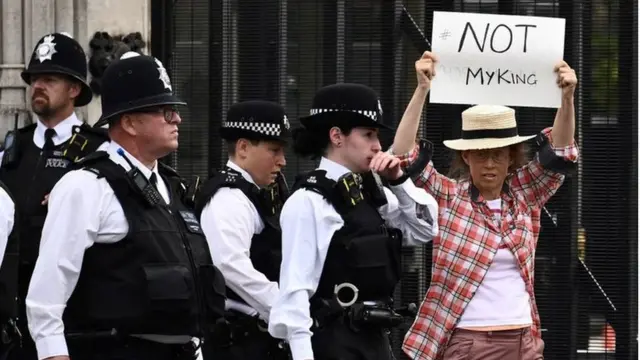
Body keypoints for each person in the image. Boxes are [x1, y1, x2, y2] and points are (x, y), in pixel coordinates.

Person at [25, 51, 226, 360]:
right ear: (130, 122)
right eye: (164, 110)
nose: (177, 119)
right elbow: (46, 297)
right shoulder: (87, 186)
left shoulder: (173, 187)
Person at [394, 52, 579, 360]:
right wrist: (422, 89)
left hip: (524, 340)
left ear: (512, 157)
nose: (490, 163)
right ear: (466, 157)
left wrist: (567, 98)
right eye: (480, 154)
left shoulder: (524, 195)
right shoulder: (450, 196)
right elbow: (403, 156)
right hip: (469, 340)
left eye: (499, 154)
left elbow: (561, 153)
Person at [268, 83, 439, 360]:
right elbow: (295, 291)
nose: (378, 146)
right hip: (332, 343)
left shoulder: (371, 193)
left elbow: (425, 228)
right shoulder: (309, 200)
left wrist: (398, 180)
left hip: (374, 339)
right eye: (368, 134)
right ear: (337, 136)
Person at [0, 32, 108, 360]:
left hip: (72, 317)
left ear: (74, 89)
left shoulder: (98, 150)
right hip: (12, 317)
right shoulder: (12, 149)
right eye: (34, 80)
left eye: (49, 79)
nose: (38, 87)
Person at [194, 100, 290, 359]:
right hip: (238, 340)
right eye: (274, 150)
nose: (282, 161)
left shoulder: (252, 195)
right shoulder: (228, 197)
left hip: (258, 338)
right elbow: (229, 265)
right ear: (244, 148)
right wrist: (285, 306)